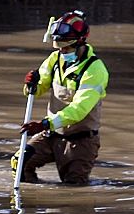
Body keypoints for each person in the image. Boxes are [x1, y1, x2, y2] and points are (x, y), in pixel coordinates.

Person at [18, 10, 108, 186]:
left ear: (81, 42)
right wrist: (30, 84)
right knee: (20, 163)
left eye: (66, 47)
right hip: (52, 135)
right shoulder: (55, 59)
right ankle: (32, 203)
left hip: (81, 141)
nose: (62, 50)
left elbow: (79, 109)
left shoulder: (95, 70)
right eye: (59, 46)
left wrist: (44, 124)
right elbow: (38, 88)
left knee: (73, 188)